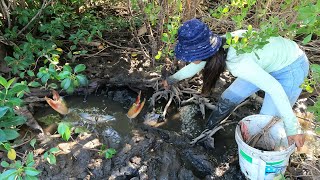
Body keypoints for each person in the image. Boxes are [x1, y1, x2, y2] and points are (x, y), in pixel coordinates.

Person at [162, 18, 308, 149]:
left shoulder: (239, 64)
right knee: (228, 97)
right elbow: (196, 65)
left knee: (265, 124)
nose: (189, 59)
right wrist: (171, 80)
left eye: (191, 55)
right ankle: (207, 129)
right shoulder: (221, 46)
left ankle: (275, 150)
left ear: (203, 53)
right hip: (263, 64)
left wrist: (292, 128)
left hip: (291, 68)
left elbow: (275, 89)